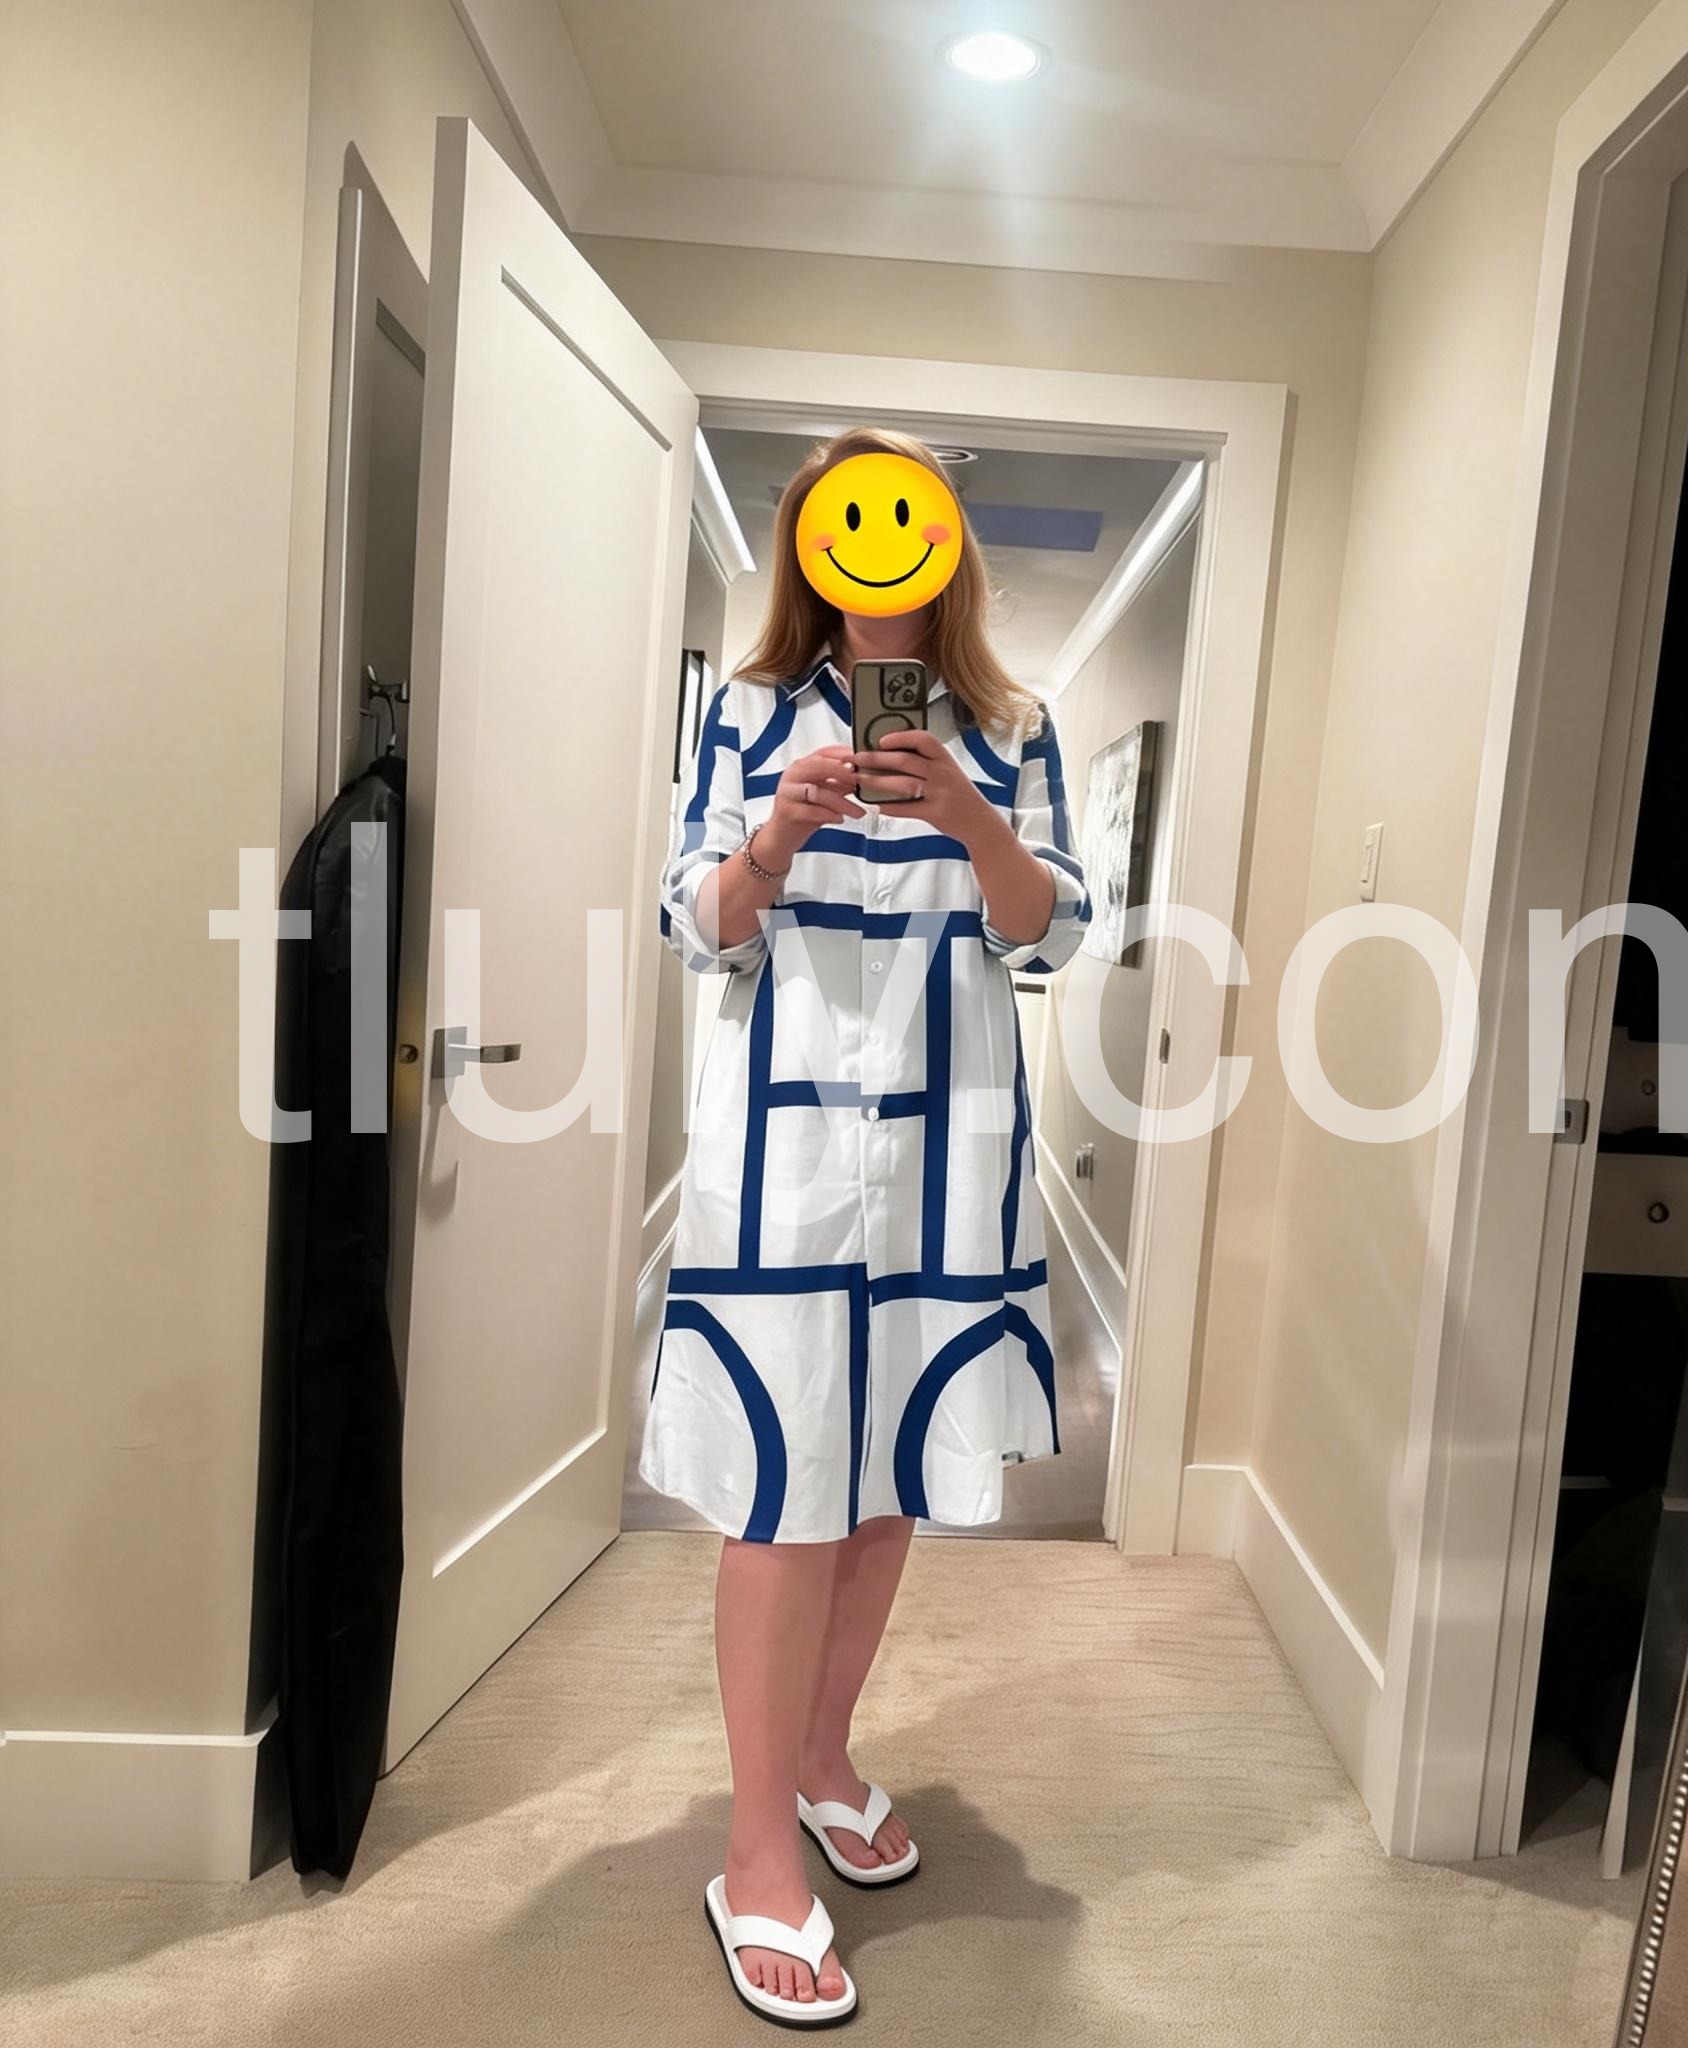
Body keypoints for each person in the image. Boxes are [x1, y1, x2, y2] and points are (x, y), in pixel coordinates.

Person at [642, 426, 1091, 2026]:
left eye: (911, 519)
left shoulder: (1014, 726)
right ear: (810, 543)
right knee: (785, 1487)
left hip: (948, 1155)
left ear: (947, 541)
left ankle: (824, 1754)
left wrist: (976, 821)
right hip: (786, 1156)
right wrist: (775, 837)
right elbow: (695, 920)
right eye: (849, 519)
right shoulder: (749, 711)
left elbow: (1054, 929)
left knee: (890, 1472)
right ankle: (756, 1851)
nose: (880, 544)